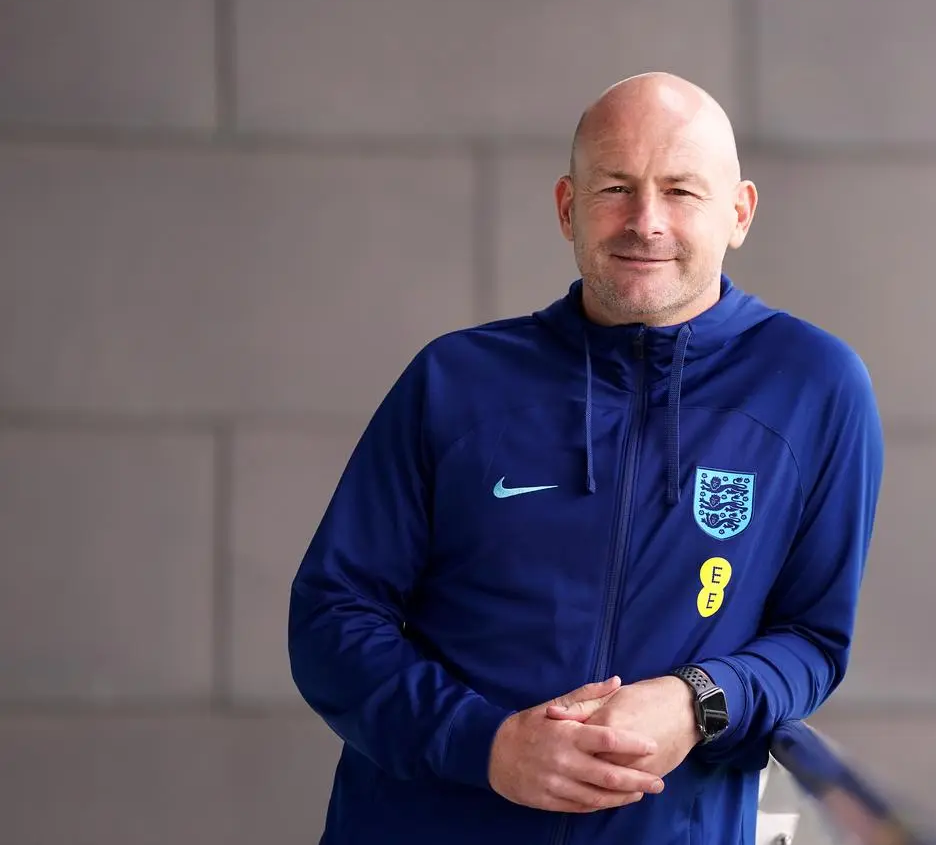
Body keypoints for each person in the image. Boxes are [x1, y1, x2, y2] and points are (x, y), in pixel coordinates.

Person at [287, 71, 884, 844]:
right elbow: (331, 618)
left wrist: (697, 698)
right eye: (615, 188)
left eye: (680, 191)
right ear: (568, 206)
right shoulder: (456, 380)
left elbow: (811, 639)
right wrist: (489, 745)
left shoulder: (813, 385)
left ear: (739, 213)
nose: (646, 221)